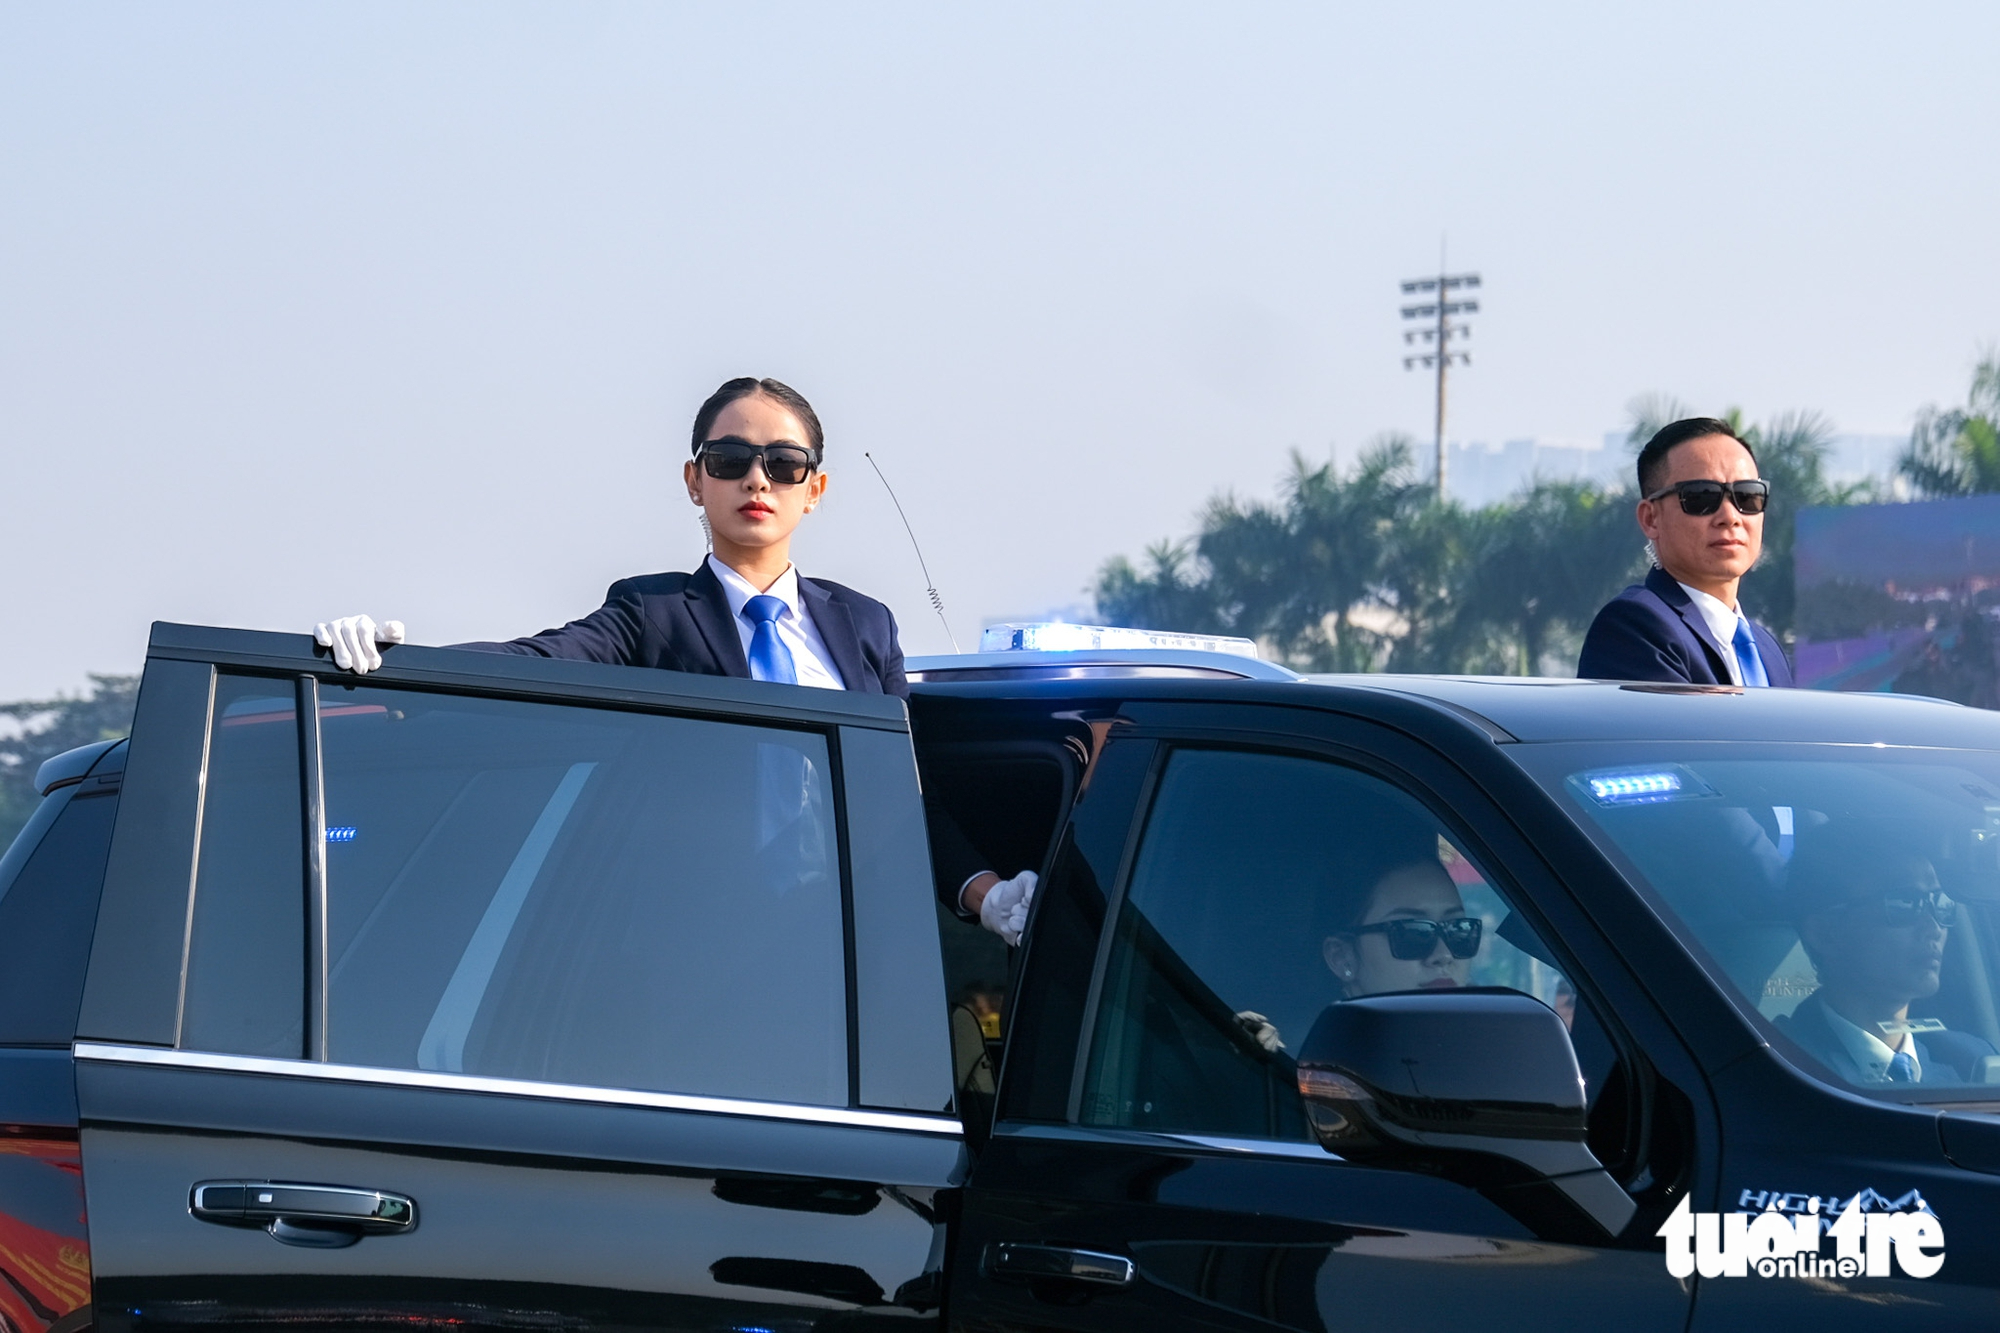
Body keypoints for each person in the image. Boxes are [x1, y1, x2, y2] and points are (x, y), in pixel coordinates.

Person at [313, 375, 1034, 941]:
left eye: (784, 464)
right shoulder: (651, 614)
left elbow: (905, 801)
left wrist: (987, 894)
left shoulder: (865, 625)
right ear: (695, 480)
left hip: (852, 946)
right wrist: (403, 664)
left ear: (814, 489)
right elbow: (541, 658)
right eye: (730, 460)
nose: (757, 480)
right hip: (702, 946)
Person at [1577, 417, 1793, 686]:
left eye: (1747, 496)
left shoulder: (1767, 649)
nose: (1730, 516)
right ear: (1651, 518)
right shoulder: (1635, 626)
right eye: (1701, 496)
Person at [1780, 832, 1996, 1086]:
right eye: (1904, 903)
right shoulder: (1780, 1066)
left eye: (1939, 902)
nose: (1933, 927)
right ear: (1825, 934)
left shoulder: (1975, 1063)